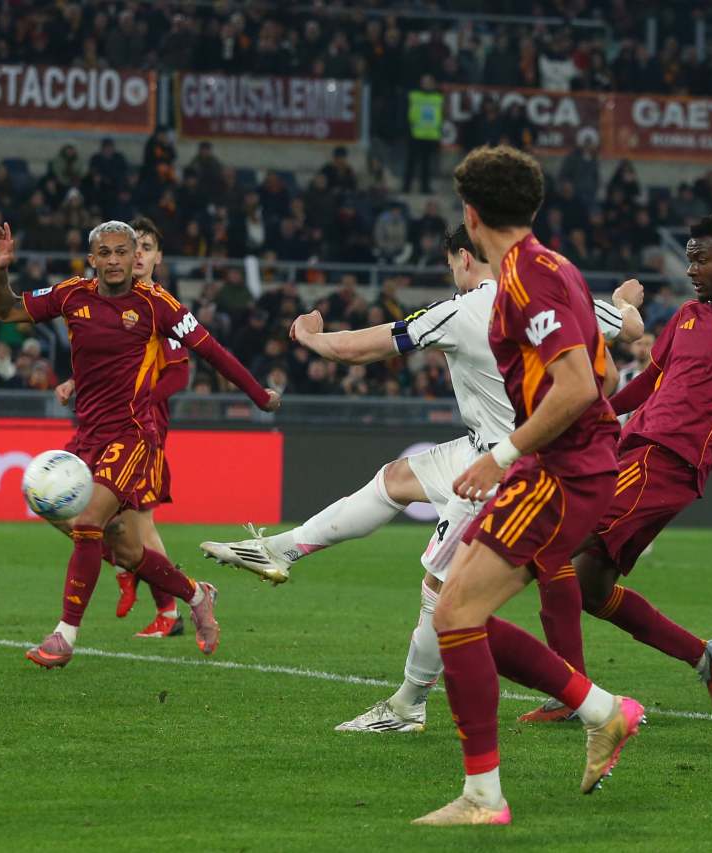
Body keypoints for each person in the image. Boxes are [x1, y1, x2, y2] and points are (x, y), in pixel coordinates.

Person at [203, 226, 643, 737]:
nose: (452, 273)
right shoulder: (558, 297)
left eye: (451, 263)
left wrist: (308, 335)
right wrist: (621, 301)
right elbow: (631, 328)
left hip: (503, 466)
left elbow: (359, 349)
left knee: (441, 590)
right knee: (395, 480)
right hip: (499, 449)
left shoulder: (461, 311)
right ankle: (280, 550)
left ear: (463, 257)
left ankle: (409, 705)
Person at [415, 146, 644, 825]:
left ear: (471, 215)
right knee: (456, 612)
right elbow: (602, 376)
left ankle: (484, 796)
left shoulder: (527, 280)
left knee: (455, 614)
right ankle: (602, 710)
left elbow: (577, 387)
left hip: (561, 470)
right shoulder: (555, 267)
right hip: (561, 465)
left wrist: (504, 452)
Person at [520, 214, 712, 724]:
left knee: (550, 548)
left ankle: (570, 693)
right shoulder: (685, 316)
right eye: (689, 259)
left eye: (701, 259)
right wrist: (592, 412)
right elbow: (648, 385)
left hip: (667, 461)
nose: (691, 270)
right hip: (631, 450)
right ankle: (704, 656)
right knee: (590, 588)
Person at [0, 220, 280, 667]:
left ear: (133, 257)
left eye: (122, 251)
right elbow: (7, 311)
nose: (114, 260)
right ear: (92, 259)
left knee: (88, 523)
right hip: (87, 435)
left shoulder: (156, 304)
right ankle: (196, 594)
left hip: (132, 434)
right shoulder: (71, 295)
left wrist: (259, 396)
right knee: (122, 547)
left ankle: (64, 636)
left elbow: (212, 351)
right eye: (104, 253)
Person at [52, 217, 191, 640]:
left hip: (141, 430)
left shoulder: (161, 307)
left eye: (146, 248)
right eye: (137, 247)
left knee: (139, 523)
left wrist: (139, 397)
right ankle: (127, 566)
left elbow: (178, 374)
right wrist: (77, 382)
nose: (139, 255)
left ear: (155, 257)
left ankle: (170, 608)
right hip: (102, 427)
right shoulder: (111, 302)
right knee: (79, 516)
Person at [404, 74, 443, 194]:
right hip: (416, 134)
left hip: (431, 135)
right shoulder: (413, 95)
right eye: (424, 82)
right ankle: (406, 187)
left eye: (429, 82)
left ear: (433, 83)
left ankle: (425, 188)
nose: (426, 84)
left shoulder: (438, 97)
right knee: (411, 163)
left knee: (426, 165)